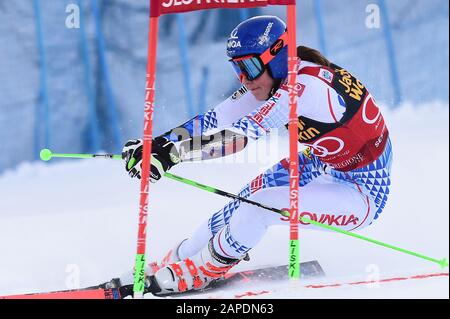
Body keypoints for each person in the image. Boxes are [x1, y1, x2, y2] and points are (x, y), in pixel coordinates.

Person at [122, 15, 392, 295]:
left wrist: (174, 154)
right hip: (323, 164)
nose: (244, 79)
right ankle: (179, 259)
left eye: (249, 67)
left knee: (259, 206)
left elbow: (241, 136)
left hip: (362, 193)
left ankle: (203, 270)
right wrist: (158, 145)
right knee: (242, 200)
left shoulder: (304, 88)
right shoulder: (274, 79)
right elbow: (215, 119)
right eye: (237, 68)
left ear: (276, 56)